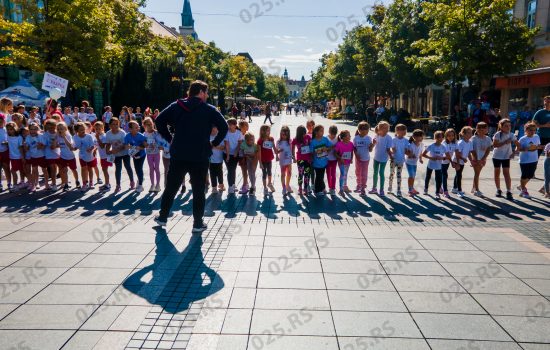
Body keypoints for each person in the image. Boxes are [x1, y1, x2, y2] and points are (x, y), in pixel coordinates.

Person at [155, 80, 228, 232]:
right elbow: (224, 126)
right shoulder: (209, 109)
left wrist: (170, 138)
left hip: (179, 153)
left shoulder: (177, 106)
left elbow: (159, 120)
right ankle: (197, 223)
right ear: (201, 92)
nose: (207, 95)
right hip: (200, 155)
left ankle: (162, 217)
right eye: (206, 92)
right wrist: (213, 143)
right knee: (198, 189)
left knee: (171, 187)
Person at [105, 117, 133, 193]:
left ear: (119, 124)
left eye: (116, 124)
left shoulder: (122, 132)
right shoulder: (108, 133)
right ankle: (118, 185)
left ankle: (132, 182)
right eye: (113, 124)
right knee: (118, 169)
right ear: (110, 125)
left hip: (125, 153)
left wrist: (116, 150)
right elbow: (108, 144)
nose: (115, 126)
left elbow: (125, 144)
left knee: (128, 167)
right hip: (116, 155)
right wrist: (107, 150)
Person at [492, 119, 517, 200]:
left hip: (506, 156)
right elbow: (494, 145)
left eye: (509, 125)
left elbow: (518, 145)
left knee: (506, 173)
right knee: (497, 173)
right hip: (497, 156)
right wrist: (505, 142)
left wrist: (514, 153)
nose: (508, 127)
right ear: (501, 126)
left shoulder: (512, 135)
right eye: (506, 126)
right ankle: (498, 190)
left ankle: (509, 191)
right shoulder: (497, 134)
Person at [517, 122, 543, 198]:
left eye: (534, 130)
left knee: (531, 175)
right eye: (531, 130)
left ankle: (521, 186)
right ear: (526, 130)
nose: (532, 132)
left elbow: (538, 146)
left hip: (534, 159)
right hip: (524, 160)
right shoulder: (522, 139)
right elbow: (517, 149)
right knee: (524, 175)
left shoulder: (536, 137)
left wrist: (540, 147)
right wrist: (525, 149)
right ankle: (523, 190)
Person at [369, 121, 392, 196]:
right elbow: (372, 147)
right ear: (379, 128)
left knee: (381, 172)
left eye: (386, 128)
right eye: (382, 128)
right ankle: (374, 188)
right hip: (376, 157)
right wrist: (373, 143)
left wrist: (391, 157)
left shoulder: (389, 138)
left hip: (384, 158)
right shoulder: (376, 136)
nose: (384, 129)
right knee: (375, 172)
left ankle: (381, 189)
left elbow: (388, 149)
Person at [422, 130, 447, 199]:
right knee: (428, 177)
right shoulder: (431, 146)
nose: (441, 139)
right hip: (431, 164)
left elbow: (447, 157)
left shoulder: (443, 147)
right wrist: (431, 158)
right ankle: (426, 189)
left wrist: (441, 157)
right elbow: (423, 154)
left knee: (438, 179)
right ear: (435, 138)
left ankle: (437, 193)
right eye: (439, 137)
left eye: (442, 137)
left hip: (438, 166)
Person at [73, 122, 97, 192]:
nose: (83, 131)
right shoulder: (75, 137)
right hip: (82, 156)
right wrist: (73, 148)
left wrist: (90, 149)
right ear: (77, 131)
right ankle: (84, 183)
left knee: (90, 169)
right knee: (83, 169)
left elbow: (93, 145)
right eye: (81, 130)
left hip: (90, 156)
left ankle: (91, 182)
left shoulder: (89, 136)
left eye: (83, 129)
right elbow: (75, 146)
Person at [124, 121, 147, 193]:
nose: (138, 128)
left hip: (142, 154)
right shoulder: (127, 136)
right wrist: (128, 147)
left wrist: (139, 147)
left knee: (139, 168)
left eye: (138, 127)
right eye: (136, 127)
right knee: (137, 169)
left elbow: (145, 146)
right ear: (130, 129)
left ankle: (140, 185)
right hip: (134, 155)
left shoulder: (141, 136)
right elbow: (125, 146)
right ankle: (140, 179)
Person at [25, 122, 48, 192]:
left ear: (38, 129)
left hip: (42, 156)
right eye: (31, 129)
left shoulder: (41, 136)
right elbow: (27, 148)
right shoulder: (28, 137)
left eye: (35, 129)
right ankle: (35, 184)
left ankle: (47, 183)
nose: (33, 131)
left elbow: (44, 145)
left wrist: (41, 146)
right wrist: (26, 146)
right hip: (33, 156)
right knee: (34, 170)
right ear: (29, 130)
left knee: (44, 170)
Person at [470, 122, 492, 197]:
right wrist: (476, 159)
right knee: (477, 174)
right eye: (480, 129)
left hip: (482, 159)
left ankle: (473, 187)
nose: (482, 131)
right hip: (476, 159)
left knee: (477, 173)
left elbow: (488, 149)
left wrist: (483, 158)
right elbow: (472, 150)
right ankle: (477, 190)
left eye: (484, 129)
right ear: (477, 129)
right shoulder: (474, 138)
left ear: (486, 130)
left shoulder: (488, 138)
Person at [310, 125, 332, 196]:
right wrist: (316, 152)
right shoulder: (313, 141)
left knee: (321, 176)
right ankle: (317, 190)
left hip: (324, 162)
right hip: (316, 163)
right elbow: (311, 152)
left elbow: (331, 146)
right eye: (321, 131)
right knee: (319, 176)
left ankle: (322, 188)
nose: (323, 132)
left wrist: (327, 149)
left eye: (323, 130)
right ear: (316, 132)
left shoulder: (325, 139)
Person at [452, 126, 474, 198]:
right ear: (463, 134)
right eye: (468, 133)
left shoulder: (470, 142)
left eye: (471, 133)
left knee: (458, 174)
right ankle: (459, 191)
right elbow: (457, 153)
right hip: (456, 160)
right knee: (459, 175)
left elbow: (469, 153)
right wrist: (459, 162)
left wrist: (471, 161)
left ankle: (454, 188)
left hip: (461, 161)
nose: (470, 134)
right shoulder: (460, 142)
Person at [143, 118, 163, 193]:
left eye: (151, 124)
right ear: (144, 126)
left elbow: (161, 142)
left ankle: (158, 185)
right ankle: (152, 185)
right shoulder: (144, 134)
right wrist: (145, 144)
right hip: (149, 154)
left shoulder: (157, 133)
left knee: (157, 169)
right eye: (148, 124)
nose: (150, 125)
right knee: (151, 169)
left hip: (156, 153)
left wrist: (159, 145)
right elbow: (143, 143)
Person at [388, 124, 408, 197]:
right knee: (391, 174)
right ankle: (390, 187)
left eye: (405, 130)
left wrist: (411, 153)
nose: (404, 132)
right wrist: (391, 153)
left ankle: (399, 190)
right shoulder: (393, 139)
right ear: (397, 131)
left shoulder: (406, 140)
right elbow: (392, 149)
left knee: (399, 175)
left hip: (401, 160)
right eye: (402, 130)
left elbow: (406, 151)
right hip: (393, 160)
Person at [353, 121, 373, 195]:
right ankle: (358, 185)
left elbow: (370, 150)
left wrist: (372, 145)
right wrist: (356, 155)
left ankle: (363, 188)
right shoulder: (356, 138)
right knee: (358, 172)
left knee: (364, 173)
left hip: (366, 159)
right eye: (362, 129)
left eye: (366, 129)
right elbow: (354, 148)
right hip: (358, 159)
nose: (364, 131)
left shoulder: (369, 138)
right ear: (359, 130)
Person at [223, 118, 243, 194]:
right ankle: (230, 186)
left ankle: (233, 185)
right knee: (230, 170)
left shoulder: (239, 133)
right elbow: (227, 144)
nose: (229, 126)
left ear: (235, 125)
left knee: (233, 169)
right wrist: (228, 155)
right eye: (228, 125)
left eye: (230, 125)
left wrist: (236, 152)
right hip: (226, 154)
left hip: (235, 155)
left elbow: (239, 143)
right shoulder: (226, 133)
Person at [292, 125, 312, 195]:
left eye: (305, 133)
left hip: (308, 159)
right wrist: (293, 157)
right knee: (300, 174)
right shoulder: (295, 139)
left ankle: (305, 188)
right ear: (299, 133)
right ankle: (300, 188)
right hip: (300, 159)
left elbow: (311, 146)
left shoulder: (308, 137)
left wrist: (311, 156)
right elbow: (293, 148)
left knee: (307, 174)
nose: (304, 134)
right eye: (303, 133)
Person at [258, 124, 277, 195]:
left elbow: (274, 149)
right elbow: (259, 153)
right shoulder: (260, 141)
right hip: (263, 160)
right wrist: (260, 163)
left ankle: (269, 183)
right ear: (262, 131)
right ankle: (265, 187)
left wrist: (279, 151)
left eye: (269, 130)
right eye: (267, 131)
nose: (269, 132)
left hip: (269, 159)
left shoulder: (271, 139)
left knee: (270, 172)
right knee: (264, 174)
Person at [405, 129, 424, 196]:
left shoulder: (422, 144)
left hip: (414, 163)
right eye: (419, 136)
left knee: (413, 176)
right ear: (414, 137)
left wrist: (420, 159)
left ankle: (412, 188)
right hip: (409, 163)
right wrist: (410, 155)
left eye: (422, 136)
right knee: (411, 176)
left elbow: (420, 152)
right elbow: (406, 152)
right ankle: (410, 190)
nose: (421, 138)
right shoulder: (410, 145)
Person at [94, 122, 112, 191]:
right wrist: (95, 149)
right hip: (102, 156)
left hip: (106, 156)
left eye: (99, 129)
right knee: (104, 170)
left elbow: (102, 146)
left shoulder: (104, 136)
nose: (97, 130)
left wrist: (98, 138)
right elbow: (97, 145)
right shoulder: (98, 136)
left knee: (105, 170)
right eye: (96, 129)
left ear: (102, 128)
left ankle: (107, 185)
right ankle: (107, 183)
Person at [335, 130, 354, 196]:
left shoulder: (351, 144)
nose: (350, 136)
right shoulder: (339, 144)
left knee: (345, 174)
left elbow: (352, 152)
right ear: (343, 137)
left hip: (348, 162)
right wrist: (340, 158)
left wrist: (351, 159)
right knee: (343, 174)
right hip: (341, 163)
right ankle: (341, 189)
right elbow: (335, 153)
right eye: (348, 135)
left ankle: (345, 187)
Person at [6, 122, 24, 191]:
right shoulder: (8, 137)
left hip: (18, 157)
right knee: (19, 170)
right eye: (8, 129)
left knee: (14, 171)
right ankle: (21, 182)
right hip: (12, 157)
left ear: (15, 128)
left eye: (11, 129)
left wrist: (22, 157)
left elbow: (21, 147)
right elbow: (10, 144)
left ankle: (15, 185)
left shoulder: (19, 137)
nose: (9, 131)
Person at [441, 129, 458, 198]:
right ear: (446, 136)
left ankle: (454, 188)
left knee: (444, 175)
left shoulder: (455, 142)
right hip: (442, 161)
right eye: (449, 135)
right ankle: (445, 191)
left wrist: (456, 162)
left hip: (448, 160)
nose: (451, 137)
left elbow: (456, 152)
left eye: (452, 135)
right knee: (444, 175)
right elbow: (447, 154)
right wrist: (452, 162)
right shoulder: (444, 143)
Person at [277, 125, 293, 195]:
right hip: (282, 161)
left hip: (289, 160)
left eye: (286, 134)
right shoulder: (278, 142)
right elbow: (276, 150)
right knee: (283, 174)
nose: (284, 136)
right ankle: (283, 187)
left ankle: (287, 185)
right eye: (283, 134)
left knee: (289, 173)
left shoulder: (290, 141)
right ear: (281, 134)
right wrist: (277, 154)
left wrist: (293, 157)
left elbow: (292, 150)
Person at [210, 126, 226, 194]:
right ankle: (214, 187)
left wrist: (213, 146)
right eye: (212, 128)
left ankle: (221, 185)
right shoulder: (208, 136)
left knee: (219, 172)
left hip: (219, 159)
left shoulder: (220, 136)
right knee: (212, 173)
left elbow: (223, 147)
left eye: (215, 128)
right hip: (210, 159)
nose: (213, 130)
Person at [326, 125, 338, 195]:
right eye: (331, 134)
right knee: (328, 173)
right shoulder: (326, 138)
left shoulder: (337, 139)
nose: (333, 135)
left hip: (334, 159)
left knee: (333, 174)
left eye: (334, 134)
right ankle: (330, 187)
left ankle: (333, 188)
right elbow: (324, 149)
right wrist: (330, 148)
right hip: (327, 159)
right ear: (329, 132)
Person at [238, 120, 250, 194]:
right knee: (244, 170)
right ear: (241, 127)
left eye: (247, 125)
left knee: (246, 170)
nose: (247, 126)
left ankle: (245, 184)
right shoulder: (239, 134)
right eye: (246, 125)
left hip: (247, 155)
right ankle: (245, 184)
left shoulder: (247, 134)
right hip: (241, 155)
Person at [0, 115, 11, 192]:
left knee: (6, 167)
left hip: (5, 151)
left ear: (4, 121)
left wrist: (7, 142)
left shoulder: (6, 130)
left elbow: (10, 139)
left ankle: (9, 183)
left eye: (1, 121)